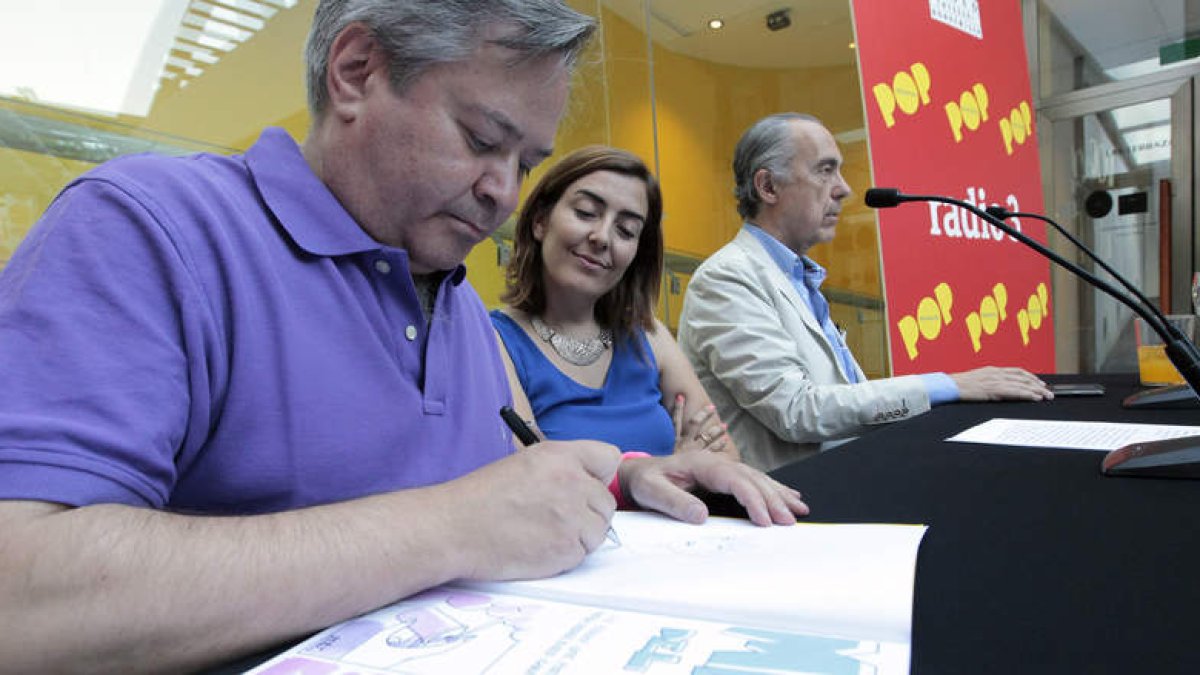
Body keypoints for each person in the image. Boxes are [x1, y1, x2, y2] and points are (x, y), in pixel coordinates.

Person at [0, 5, 807, 671]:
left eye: (526, 161)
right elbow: (21, 597)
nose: (502, 193)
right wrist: (446, 526)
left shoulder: (455, 298)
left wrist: (634, 474)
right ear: (356, 71)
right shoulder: (148, 228)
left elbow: (516, 475)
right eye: (483, 140)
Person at [677, 112, 1054, 472]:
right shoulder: (727, 278)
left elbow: (840, 396)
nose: (844, 189)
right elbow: (796, 410)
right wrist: (949, 385)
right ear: (768, 186)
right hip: (789, 506)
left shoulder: (794, 276)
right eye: (825, 171)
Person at [491, 145, 736, 459]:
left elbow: (725, 458)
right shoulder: (494, 339)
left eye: (626, 230)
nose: (603, 237)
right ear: (540, 220)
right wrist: (677, 468)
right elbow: (530, 474)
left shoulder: (649, 337)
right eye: (585, 213)